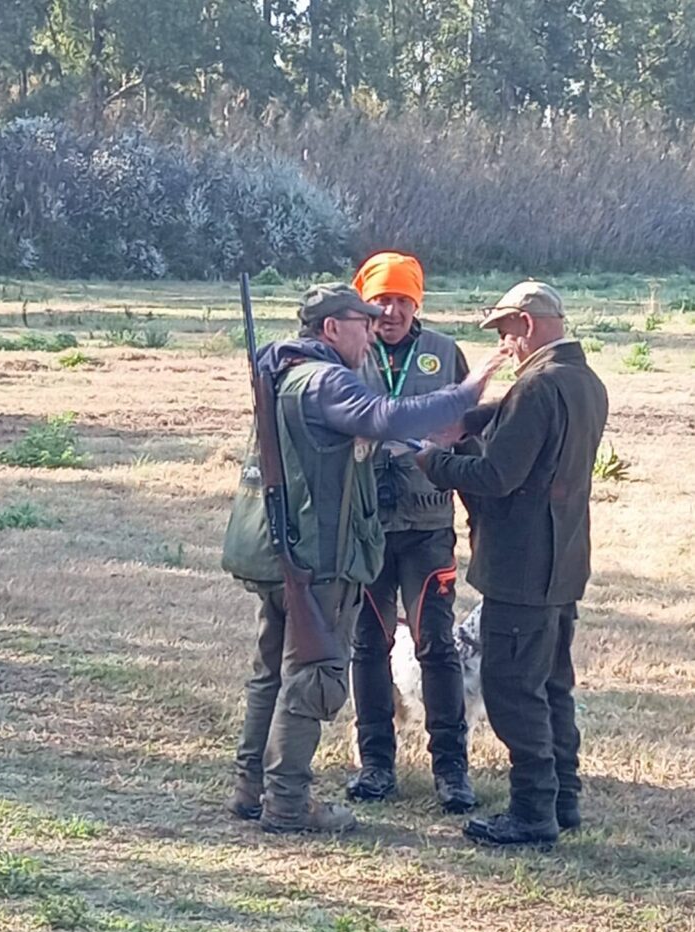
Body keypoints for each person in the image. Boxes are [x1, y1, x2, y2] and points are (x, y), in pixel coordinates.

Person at [222, 283, 503, 835]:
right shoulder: (325, 379)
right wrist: (466, 392)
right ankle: (287, 802)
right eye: (363, 320)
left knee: (269, 675)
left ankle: (248, 787)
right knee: (316, 675)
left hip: (278, 548)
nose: (374, 329)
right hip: (319, 556)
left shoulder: (278, 372)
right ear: (331, 329)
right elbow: (384, 417)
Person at [417, 281, 608, 846]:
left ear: (526, 325)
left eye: (506, 333)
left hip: (522, 565)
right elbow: (525, 423)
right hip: (564, 559)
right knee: (551, 685)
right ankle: (562, 799)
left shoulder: (538, 388)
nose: (505, 345)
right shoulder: (584, 380)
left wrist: (432, 461)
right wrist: (473, 422)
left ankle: (532, 812)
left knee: (511, 687)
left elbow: (496, 477)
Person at [345, 251, 477, 812]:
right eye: (381, 300)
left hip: (427, 527)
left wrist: (480, 512)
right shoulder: (347, 354)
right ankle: (376, 765)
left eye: (403, 299)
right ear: (364, 303)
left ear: (416, 304)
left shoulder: (445, 354)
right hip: (367, 527)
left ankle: (452, 771)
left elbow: (472, 436)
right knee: (368, 644)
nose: (391, 310)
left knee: (436, 646)